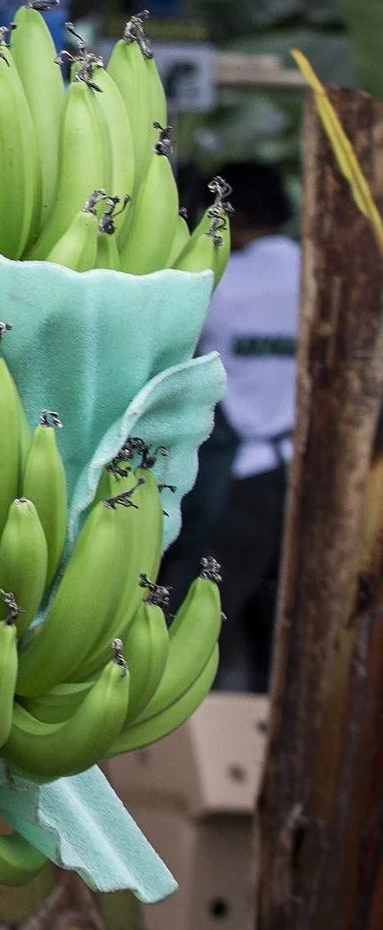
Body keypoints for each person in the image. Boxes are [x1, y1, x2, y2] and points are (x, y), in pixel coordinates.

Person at [164, 161, 297, 691]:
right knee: (284, 629)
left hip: (239, 476)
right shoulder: (326, 273)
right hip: (309, 471)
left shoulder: (215, 280)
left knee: (198, 622)